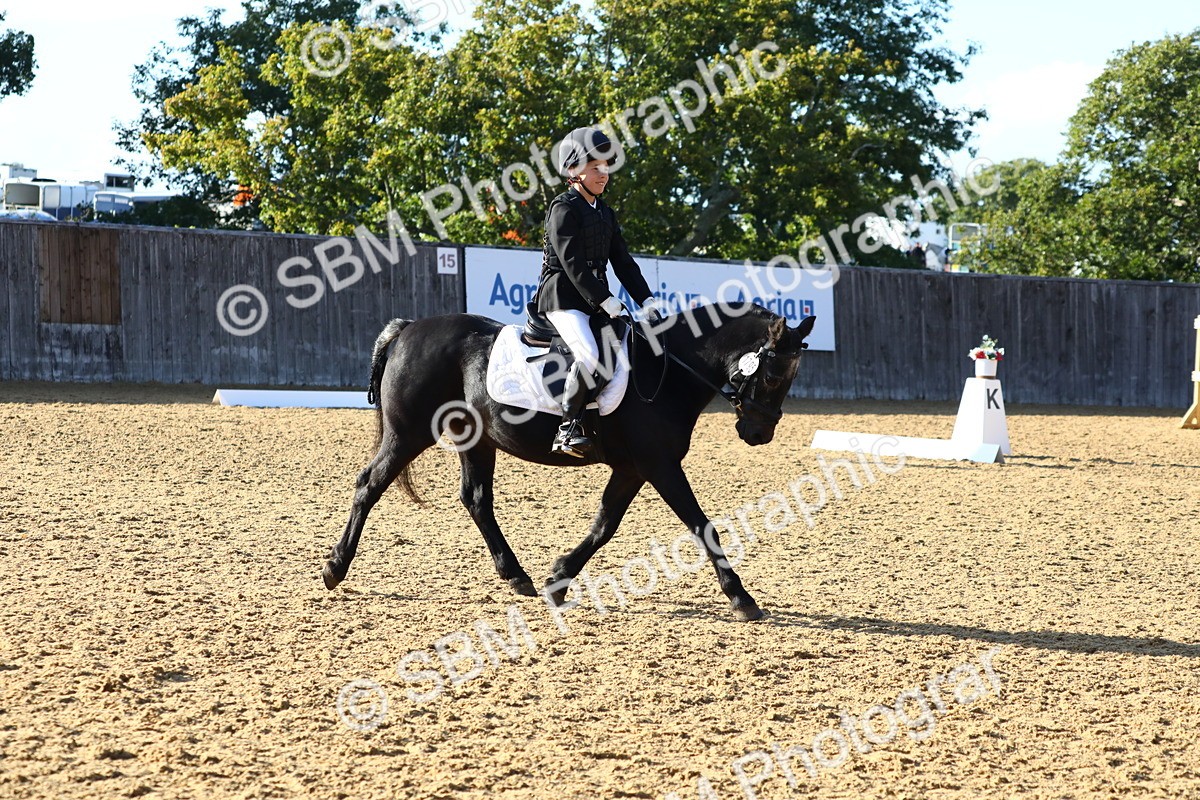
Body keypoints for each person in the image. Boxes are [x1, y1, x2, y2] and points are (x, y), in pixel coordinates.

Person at [534, 126, 661, 457]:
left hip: (595, 301)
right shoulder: (563, 208)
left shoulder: (605, 213)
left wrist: (646, 300)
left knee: (629, 349)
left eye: (606, 167)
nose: (603, 174)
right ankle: (566, 429)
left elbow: (623, 262)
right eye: (595, 167)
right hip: (562, 297)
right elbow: (572, 264)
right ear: (574, 169)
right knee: (590, 353)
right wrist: (605, 300)